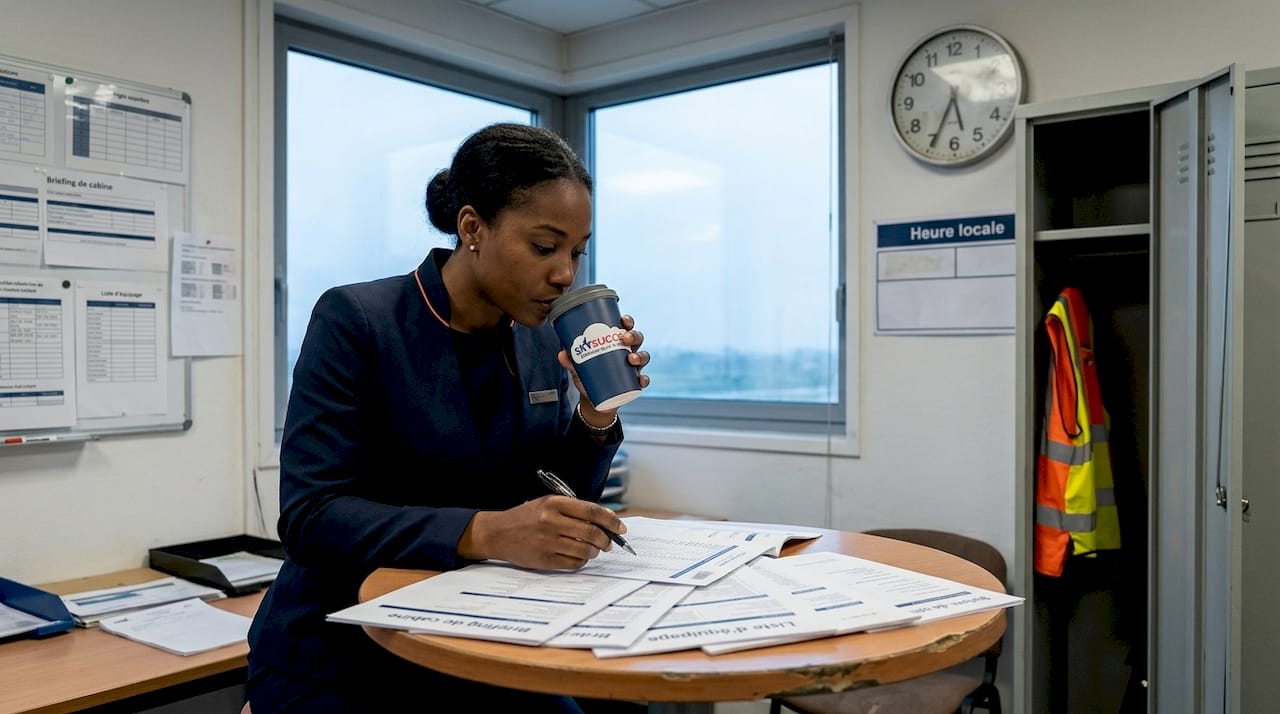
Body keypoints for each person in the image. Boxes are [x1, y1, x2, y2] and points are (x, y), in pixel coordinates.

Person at [246, 122, 651, 713]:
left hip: (481, 633)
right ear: (472, 228)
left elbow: (552, 499)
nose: (565, 273)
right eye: (545, 247)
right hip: (343, 650)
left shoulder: (539, 339)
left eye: (576, 251)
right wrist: (486, 532)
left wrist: (594, 415)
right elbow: (312, 515)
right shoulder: (358, 320)